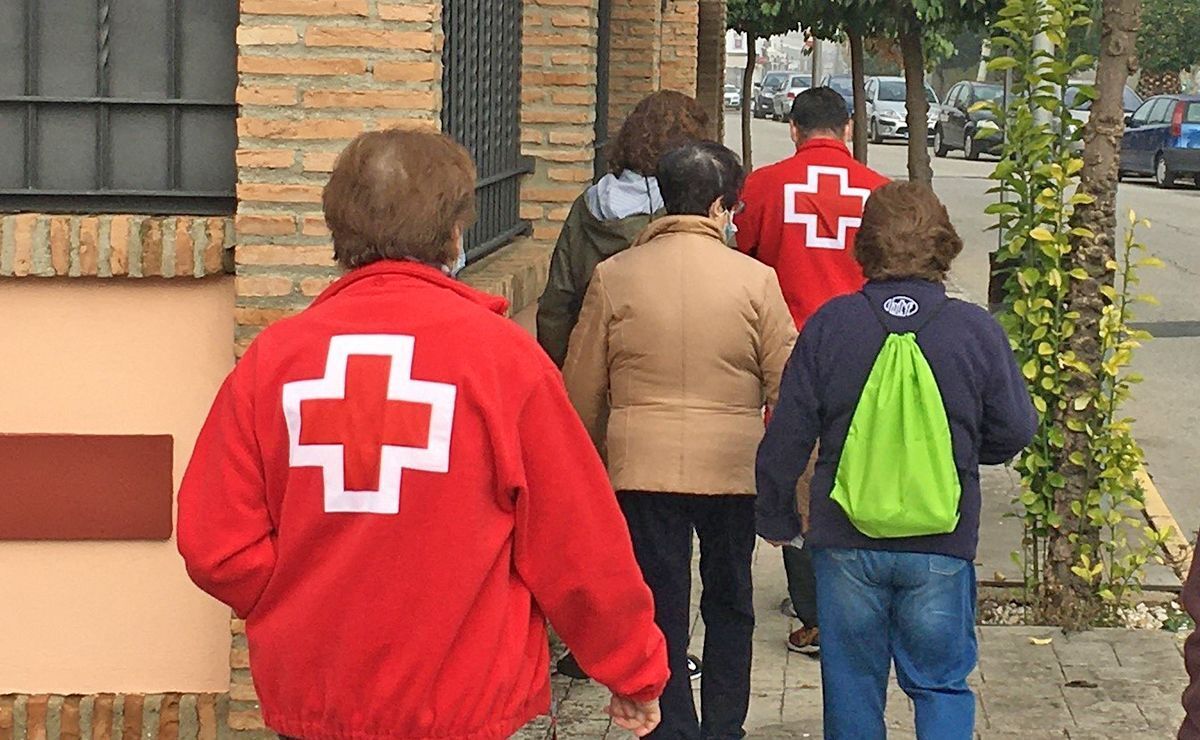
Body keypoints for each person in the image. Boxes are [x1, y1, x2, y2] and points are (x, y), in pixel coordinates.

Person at [177, 129, 668, 740]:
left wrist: (297, 602)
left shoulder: (275, 360)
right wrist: (633, 669)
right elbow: (577, 543)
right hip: (464, 703)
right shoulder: (503, 362)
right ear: (455, 231)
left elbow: (214, 542)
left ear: (339, 229)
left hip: (316, 699)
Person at [756, 182, 1037, 739]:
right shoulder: (974, 330)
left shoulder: (832, 326)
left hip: (845, 540)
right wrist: (956, 457)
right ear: (944, 244)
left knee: (853, 683)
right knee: (940, 684)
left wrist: (778, 519)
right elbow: (1016, 428)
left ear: (865, 247)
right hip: (941, 540)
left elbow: (786, 436)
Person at [564, 141, 797, 739]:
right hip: (732, 468)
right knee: (731, 601)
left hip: (642, 471)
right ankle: (724, 725)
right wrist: (791, 479)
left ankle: (671, 727)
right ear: (720, 207)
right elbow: (787, 389)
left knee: (659, 604)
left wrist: (589, 474)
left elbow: (583, 389)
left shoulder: (614, 278)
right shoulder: (756, 281)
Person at [537, 89, 710, 682]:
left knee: (597, 529)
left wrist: (563, 377)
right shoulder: (688, 221)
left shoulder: (590, 210)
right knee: (662, 539)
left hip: (595, 387)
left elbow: (558, 300)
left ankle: (590, 648)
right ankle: (657, 649)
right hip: (665, 391)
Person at [735, 85, 891, 656]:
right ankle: (854, 594)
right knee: (855, 468)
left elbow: (743, 265)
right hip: (868, 348)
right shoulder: (878, 193)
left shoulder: (763, 186)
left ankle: (815, 612)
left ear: (794, 130)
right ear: (848, 129)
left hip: (790, 350)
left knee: (797, 471)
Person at [537, 90, 710, 368]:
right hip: (665, 362)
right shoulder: (686, 210)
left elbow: (558, 298)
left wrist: (562, 366)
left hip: (593, 356)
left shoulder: (589, 203)